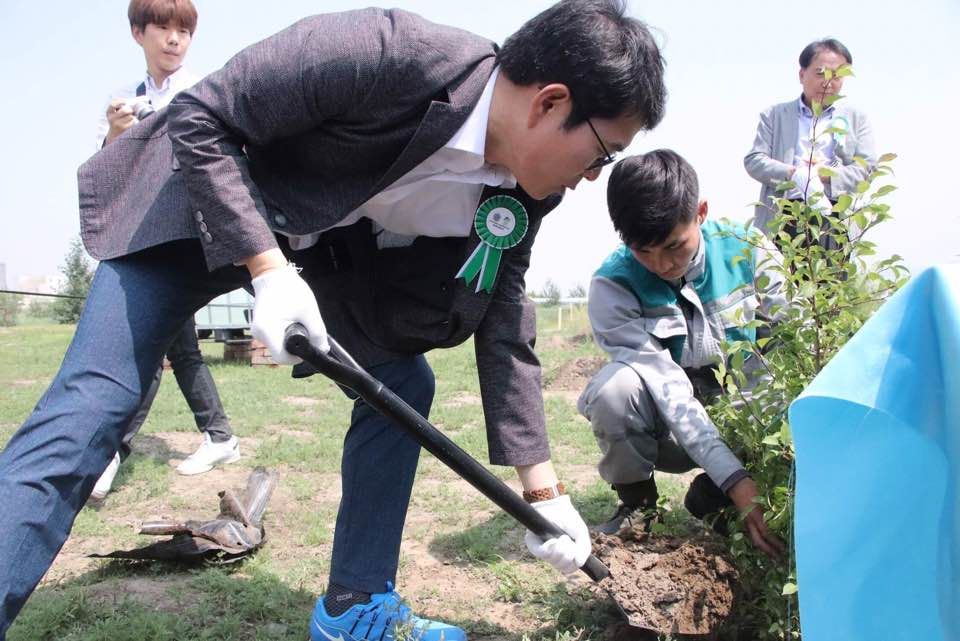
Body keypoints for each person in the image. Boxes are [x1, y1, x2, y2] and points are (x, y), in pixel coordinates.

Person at [0, 2, 667, 639]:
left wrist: (543, 493)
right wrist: (267, 269)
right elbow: (201, 117)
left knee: (402, 384)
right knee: (95, 405)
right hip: (190, 210)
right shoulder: (385, 52)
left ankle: (355, 604)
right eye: (602, 153)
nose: (592, 177)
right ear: (550, 103)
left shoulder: (523, 188)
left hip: (316, 258)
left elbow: (504, 316)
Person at [577, 150, 785, 558]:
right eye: (644, 251)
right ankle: (639, 506)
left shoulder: (748, 249)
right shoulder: (613, 285)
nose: (662, 265)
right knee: (614, 392)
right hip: (671, 428)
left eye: (675, 246)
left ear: (701, 213)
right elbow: (668, 390)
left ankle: (714, 497)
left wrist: (746, 470)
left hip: (751, 416)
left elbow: (791, 345)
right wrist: (735, 478)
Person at [90, 0, 240, 501]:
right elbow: (106, 175)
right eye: (163, 27)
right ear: (139, 33)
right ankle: (219, 436)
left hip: (187, 239)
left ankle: (112, 449)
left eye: (184, 31)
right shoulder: (122, 101)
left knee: (151, 348)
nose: (174, 39)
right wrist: (115, 136)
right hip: (142, 239)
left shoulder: (203, 91)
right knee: (179, 347)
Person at [744, 38, 877, 245]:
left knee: (831, 266)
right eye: (820, 73)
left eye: (837, 76)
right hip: (783, 215)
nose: (828, 82)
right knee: (777, 266)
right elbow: (754, 160)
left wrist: (824, 175)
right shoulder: (775, 115)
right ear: (802, 74)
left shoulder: (856, 119)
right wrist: (794, 174)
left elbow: (866, 168)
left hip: (835, 217)